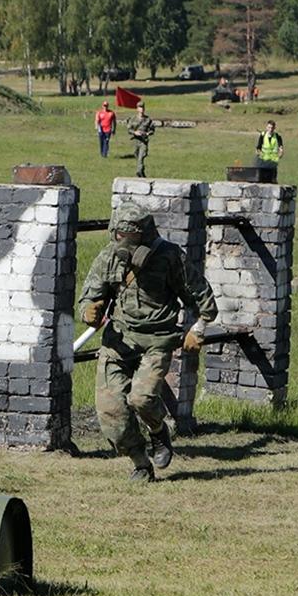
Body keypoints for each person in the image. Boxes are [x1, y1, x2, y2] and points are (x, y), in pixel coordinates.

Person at [78, 202, 219, 482]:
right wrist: (88, 312)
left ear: (146, 236)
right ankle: (141, 463)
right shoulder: (108, 257)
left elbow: (204, 298)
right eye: (120, 237)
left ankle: (158, 431)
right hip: (119, 342)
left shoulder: (169, 257)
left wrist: (198, 330)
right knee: (111, 414)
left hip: (157, 340)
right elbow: (89, 298)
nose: (125, 244)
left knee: (142, 399)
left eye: (131, 239)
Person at [130, 102, 155, 177]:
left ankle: (139, 171)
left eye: (143, 107)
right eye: (140, 107)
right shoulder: (133, 119)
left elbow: (152, 130)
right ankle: (142, 172)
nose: (142, 109)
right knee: (137, 156)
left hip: (143, 141)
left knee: (141, 157)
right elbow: (129, 129)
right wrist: (135, 132)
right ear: (137, 109)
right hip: (136, 140)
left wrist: (147, 133)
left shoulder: (148, 120)